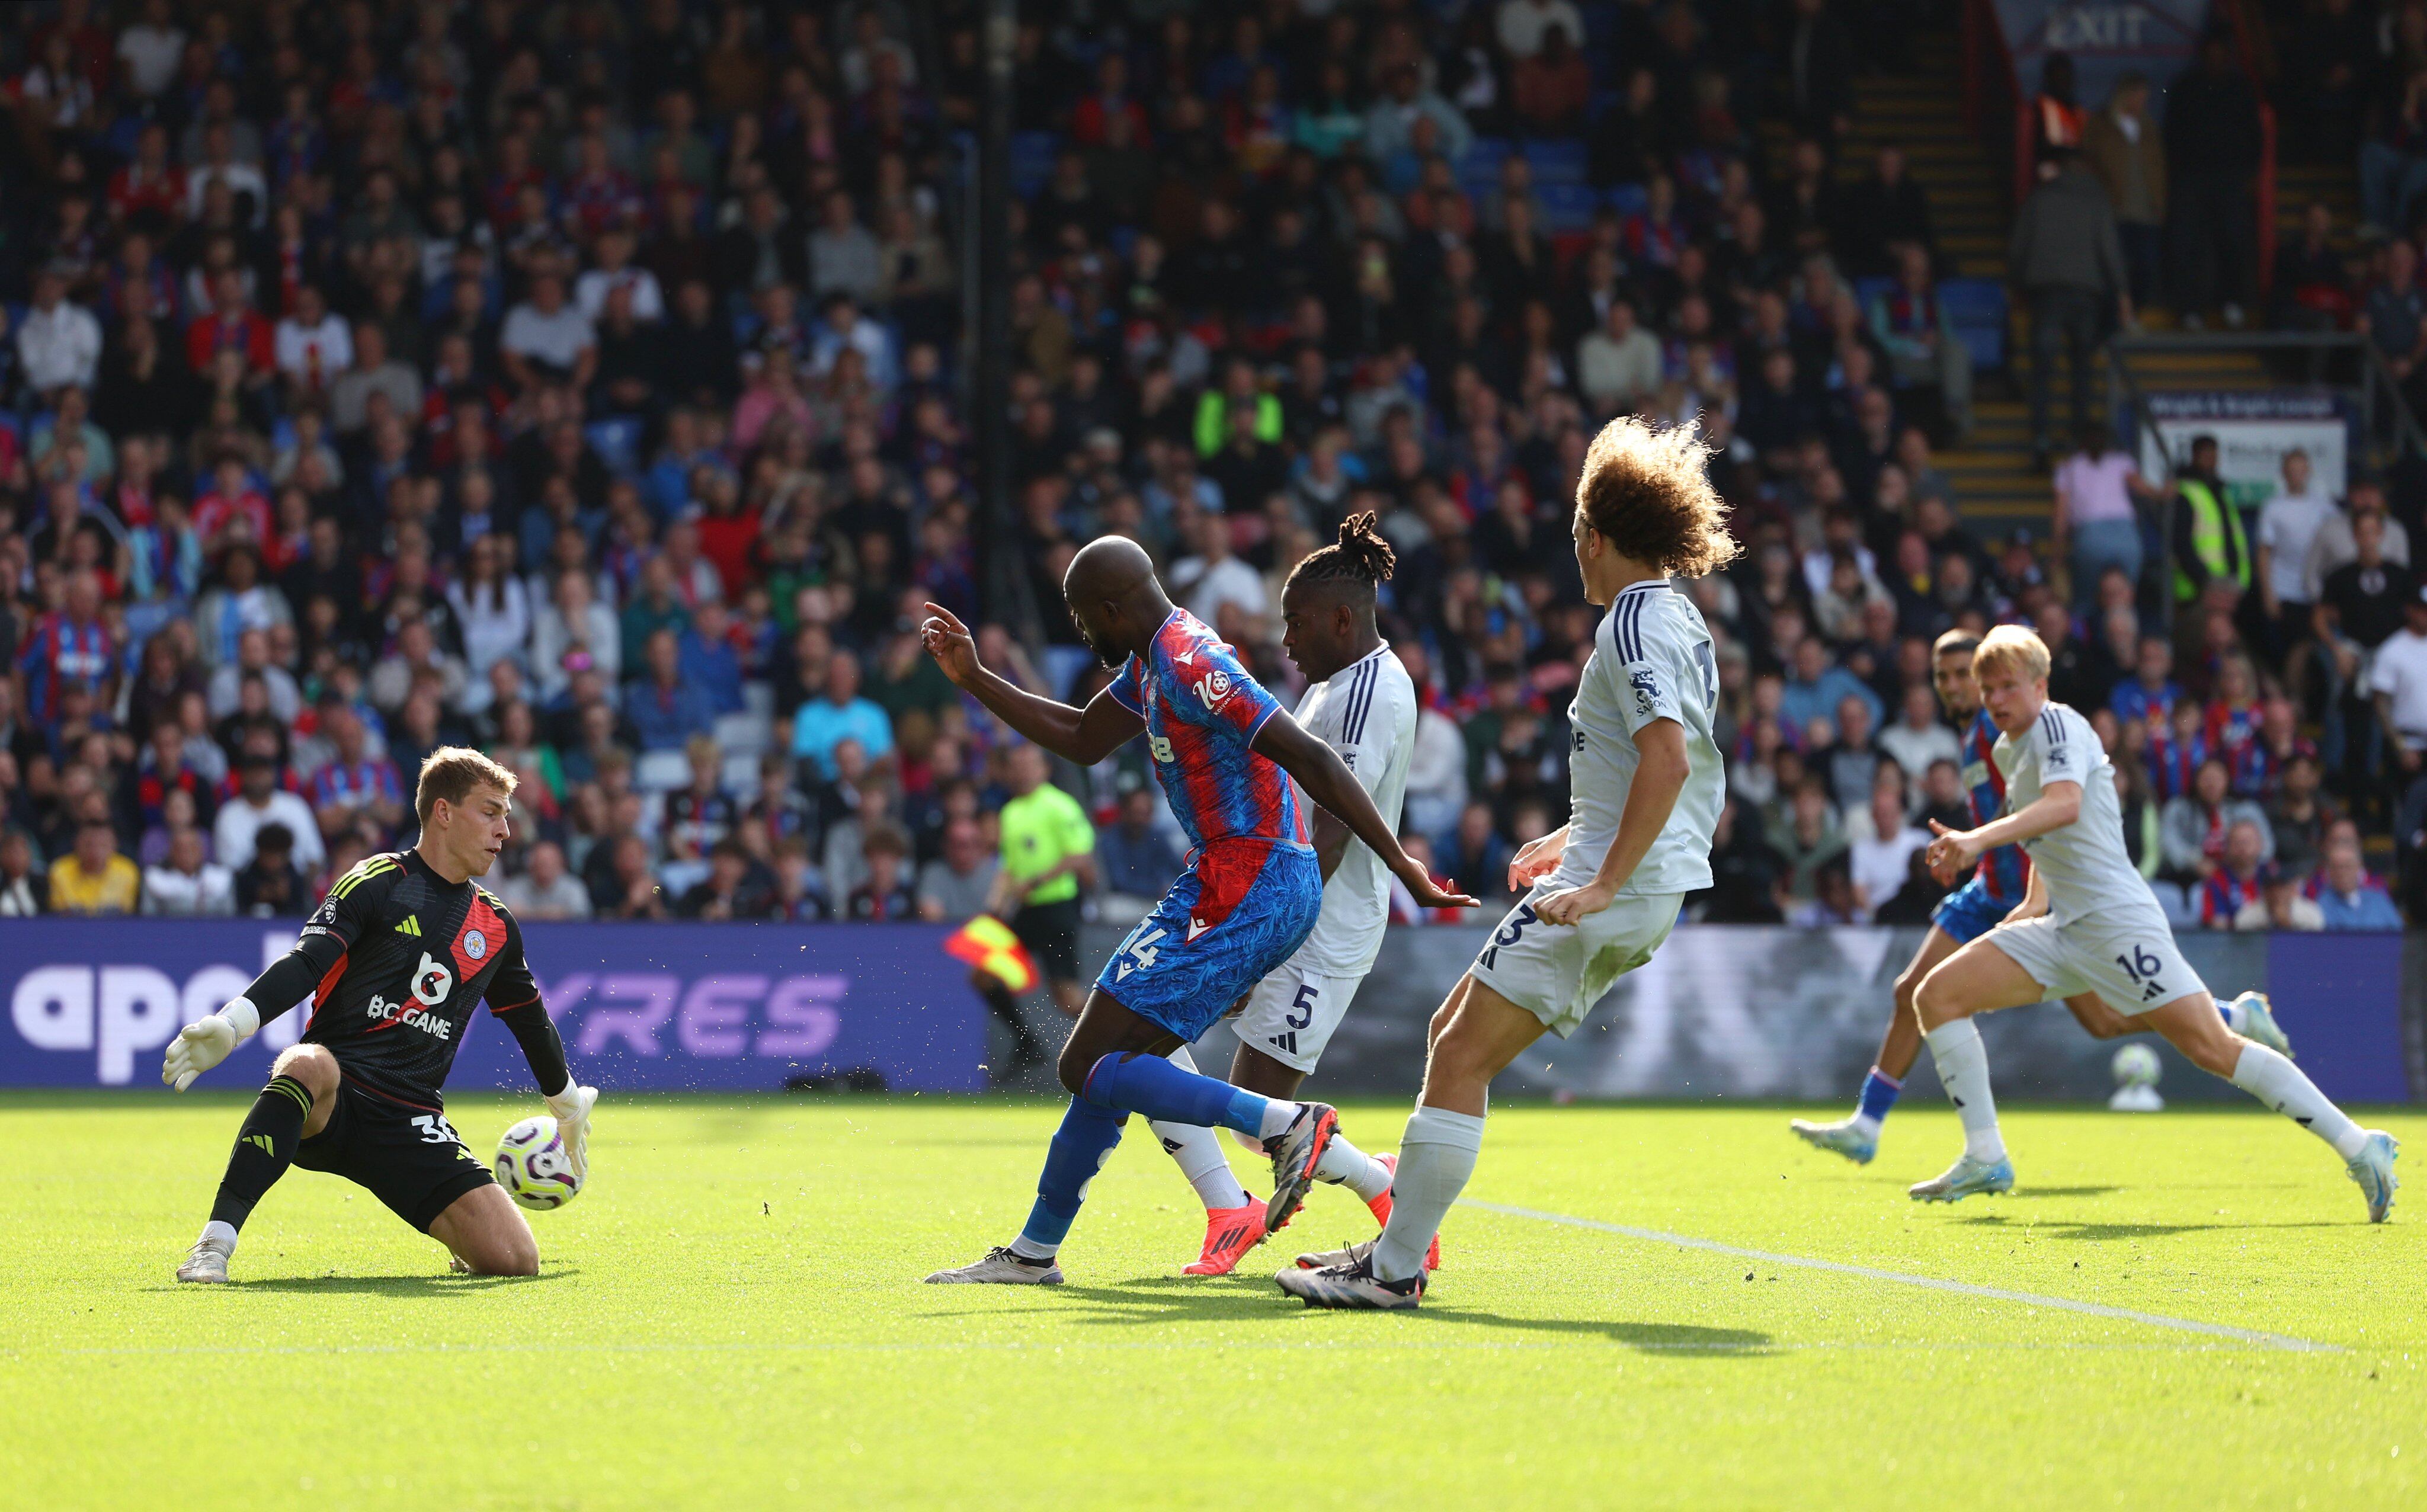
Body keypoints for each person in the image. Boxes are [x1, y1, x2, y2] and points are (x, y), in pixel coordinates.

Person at [918, 535, 1474, 1287]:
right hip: (1229, 876)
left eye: (1085, 620)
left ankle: (1282, 1125)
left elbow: (1313, 757)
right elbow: (1083, 739)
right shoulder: (1151, 661)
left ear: (1113, 608)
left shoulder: (1192, 663)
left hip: (1254, 876)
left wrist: (1404, 864)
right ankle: (1035, 1250)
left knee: (1090, 1060)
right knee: (1106, 1062)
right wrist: (977, 678)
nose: (1084, 637)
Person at [1279, 418, 1735, 1310]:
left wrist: (1598, 878)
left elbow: (1670, 759)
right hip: (1641, 877)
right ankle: (1394, 1250)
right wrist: (1578, 837)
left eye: (1575, 532)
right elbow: (1670, 766)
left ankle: (1396, 1269)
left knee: (1458, 1055)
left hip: (1616, 888)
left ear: (1595, 537)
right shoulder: (1676, 615)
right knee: (1453, 1034)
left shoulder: (1634, 624)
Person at [1909, 627, 2396, 1219]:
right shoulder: (2011, 751)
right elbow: (2046, 831)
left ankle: (2359, 1145)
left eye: (2008, 684)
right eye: (1987, 688)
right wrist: (2031, 904)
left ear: (2040, 684)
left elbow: (2064, 803)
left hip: (2116, 922)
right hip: (2063, 927)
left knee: (2211, 1048)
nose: (1994, 697)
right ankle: (1985, 1154)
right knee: (1935, 995)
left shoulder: (2059, 726)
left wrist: (1973, 840)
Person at [1789, 632, 2275, 1162]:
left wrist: (2017, 878)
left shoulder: (2011, 734)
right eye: (1943, 676)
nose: (1953, 686)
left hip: (2034, 891)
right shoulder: (1975, 736)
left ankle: (2229, 1018)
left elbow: (2047, 809)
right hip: (1987, 890)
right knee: (1912, 991)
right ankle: (1868, 1124)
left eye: (1962, 675)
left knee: (2104, 1021)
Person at [161, 749, 601, 1282]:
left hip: (412, 1118)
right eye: (491, 812)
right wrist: (234, 1024)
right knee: (305, 1062)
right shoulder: (378, 882)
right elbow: (305, 964)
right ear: (443, 812)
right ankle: (214, 1245)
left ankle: (460, 1232)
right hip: (335, 1095)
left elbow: (531, 1023)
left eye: (506, 815)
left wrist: (569, 1106)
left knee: (515, 1262)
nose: (505, 830)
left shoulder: (495, 925)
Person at [1146, 515, 1427, 1277]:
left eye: (1297, 623)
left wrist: (1259, 941)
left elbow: (1331, 830)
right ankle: (1280, 1200)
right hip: (1285, 906)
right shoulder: (1336, 685)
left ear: (1343, 618)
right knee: (1152, 1027)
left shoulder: (1372, 690)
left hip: (1322, 925)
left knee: (1256, 1111)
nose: (1287, 640)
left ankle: (1379, 1193)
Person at [973, 743, 1094, 1081]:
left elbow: (1080, 856)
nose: (1024, 771)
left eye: (1030, 764)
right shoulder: (1010, 812)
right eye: (1017, 765)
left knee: (1067, 999)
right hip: (1026, 910)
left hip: (1056, 908)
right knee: (983, 976)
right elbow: (1009, 870)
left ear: (1044, 769)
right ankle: (1027, 1042)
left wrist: (1038, 881)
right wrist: (993, 909)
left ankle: (1119, 1034)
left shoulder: (1058, 805)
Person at [2008, 150, 2130, 468]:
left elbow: (2020, 245)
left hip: (2045, 296)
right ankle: (2078, 442)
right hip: (2086, 297)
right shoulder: (2097, 200)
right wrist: (2120, 290)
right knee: (2082, 372)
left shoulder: (2039, 198)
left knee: (2043, 373)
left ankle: (2041, 441)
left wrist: (2017, 285)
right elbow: (2109, 250)